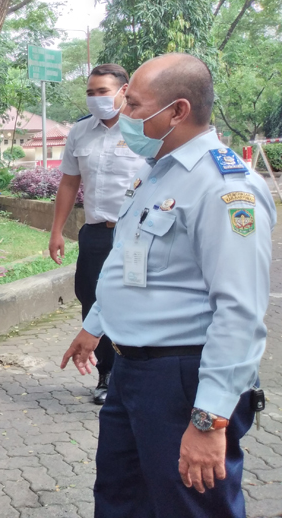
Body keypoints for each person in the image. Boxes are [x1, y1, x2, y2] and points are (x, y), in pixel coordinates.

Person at [60, 53, 275, 517]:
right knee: (120, 501)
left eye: (133, 105)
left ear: (177, 110)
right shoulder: (155, 171)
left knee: (189, 507)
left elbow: (238, 312)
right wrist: (95, 325)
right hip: (129, 371)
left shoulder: (224, 187)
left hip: (182, 380)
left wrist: (209, 420)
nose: (123, 115)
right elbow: (128, 263)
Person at [49, 64, 145, 404]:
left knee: (133, 302)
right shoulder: (80, 132)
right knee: (92, 301)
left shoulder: (143, 130)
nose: (95, 99)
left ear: (123, 90)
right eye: (90, 93)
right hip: (95, 235)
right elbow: (69, 183)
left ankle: (133, 372)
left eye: (102, 91)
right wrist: (57, 231)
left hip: (136, 237)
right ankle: (106, 375)